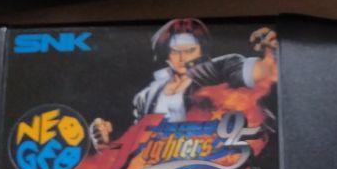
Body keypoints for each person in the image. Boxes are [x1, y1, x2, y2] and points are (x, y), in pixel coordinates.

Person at [89, 18, 278, 146]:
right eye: (175, 51)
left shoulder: (217, 69)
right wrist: (106, 144)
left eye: (189, 50)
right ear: (166, 52)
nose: (182, 58)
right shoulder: (146, 97)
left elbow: (259, 72)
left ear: (201, 50)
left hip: (221, 160)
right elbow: (138, 145)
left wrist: (272, 53)